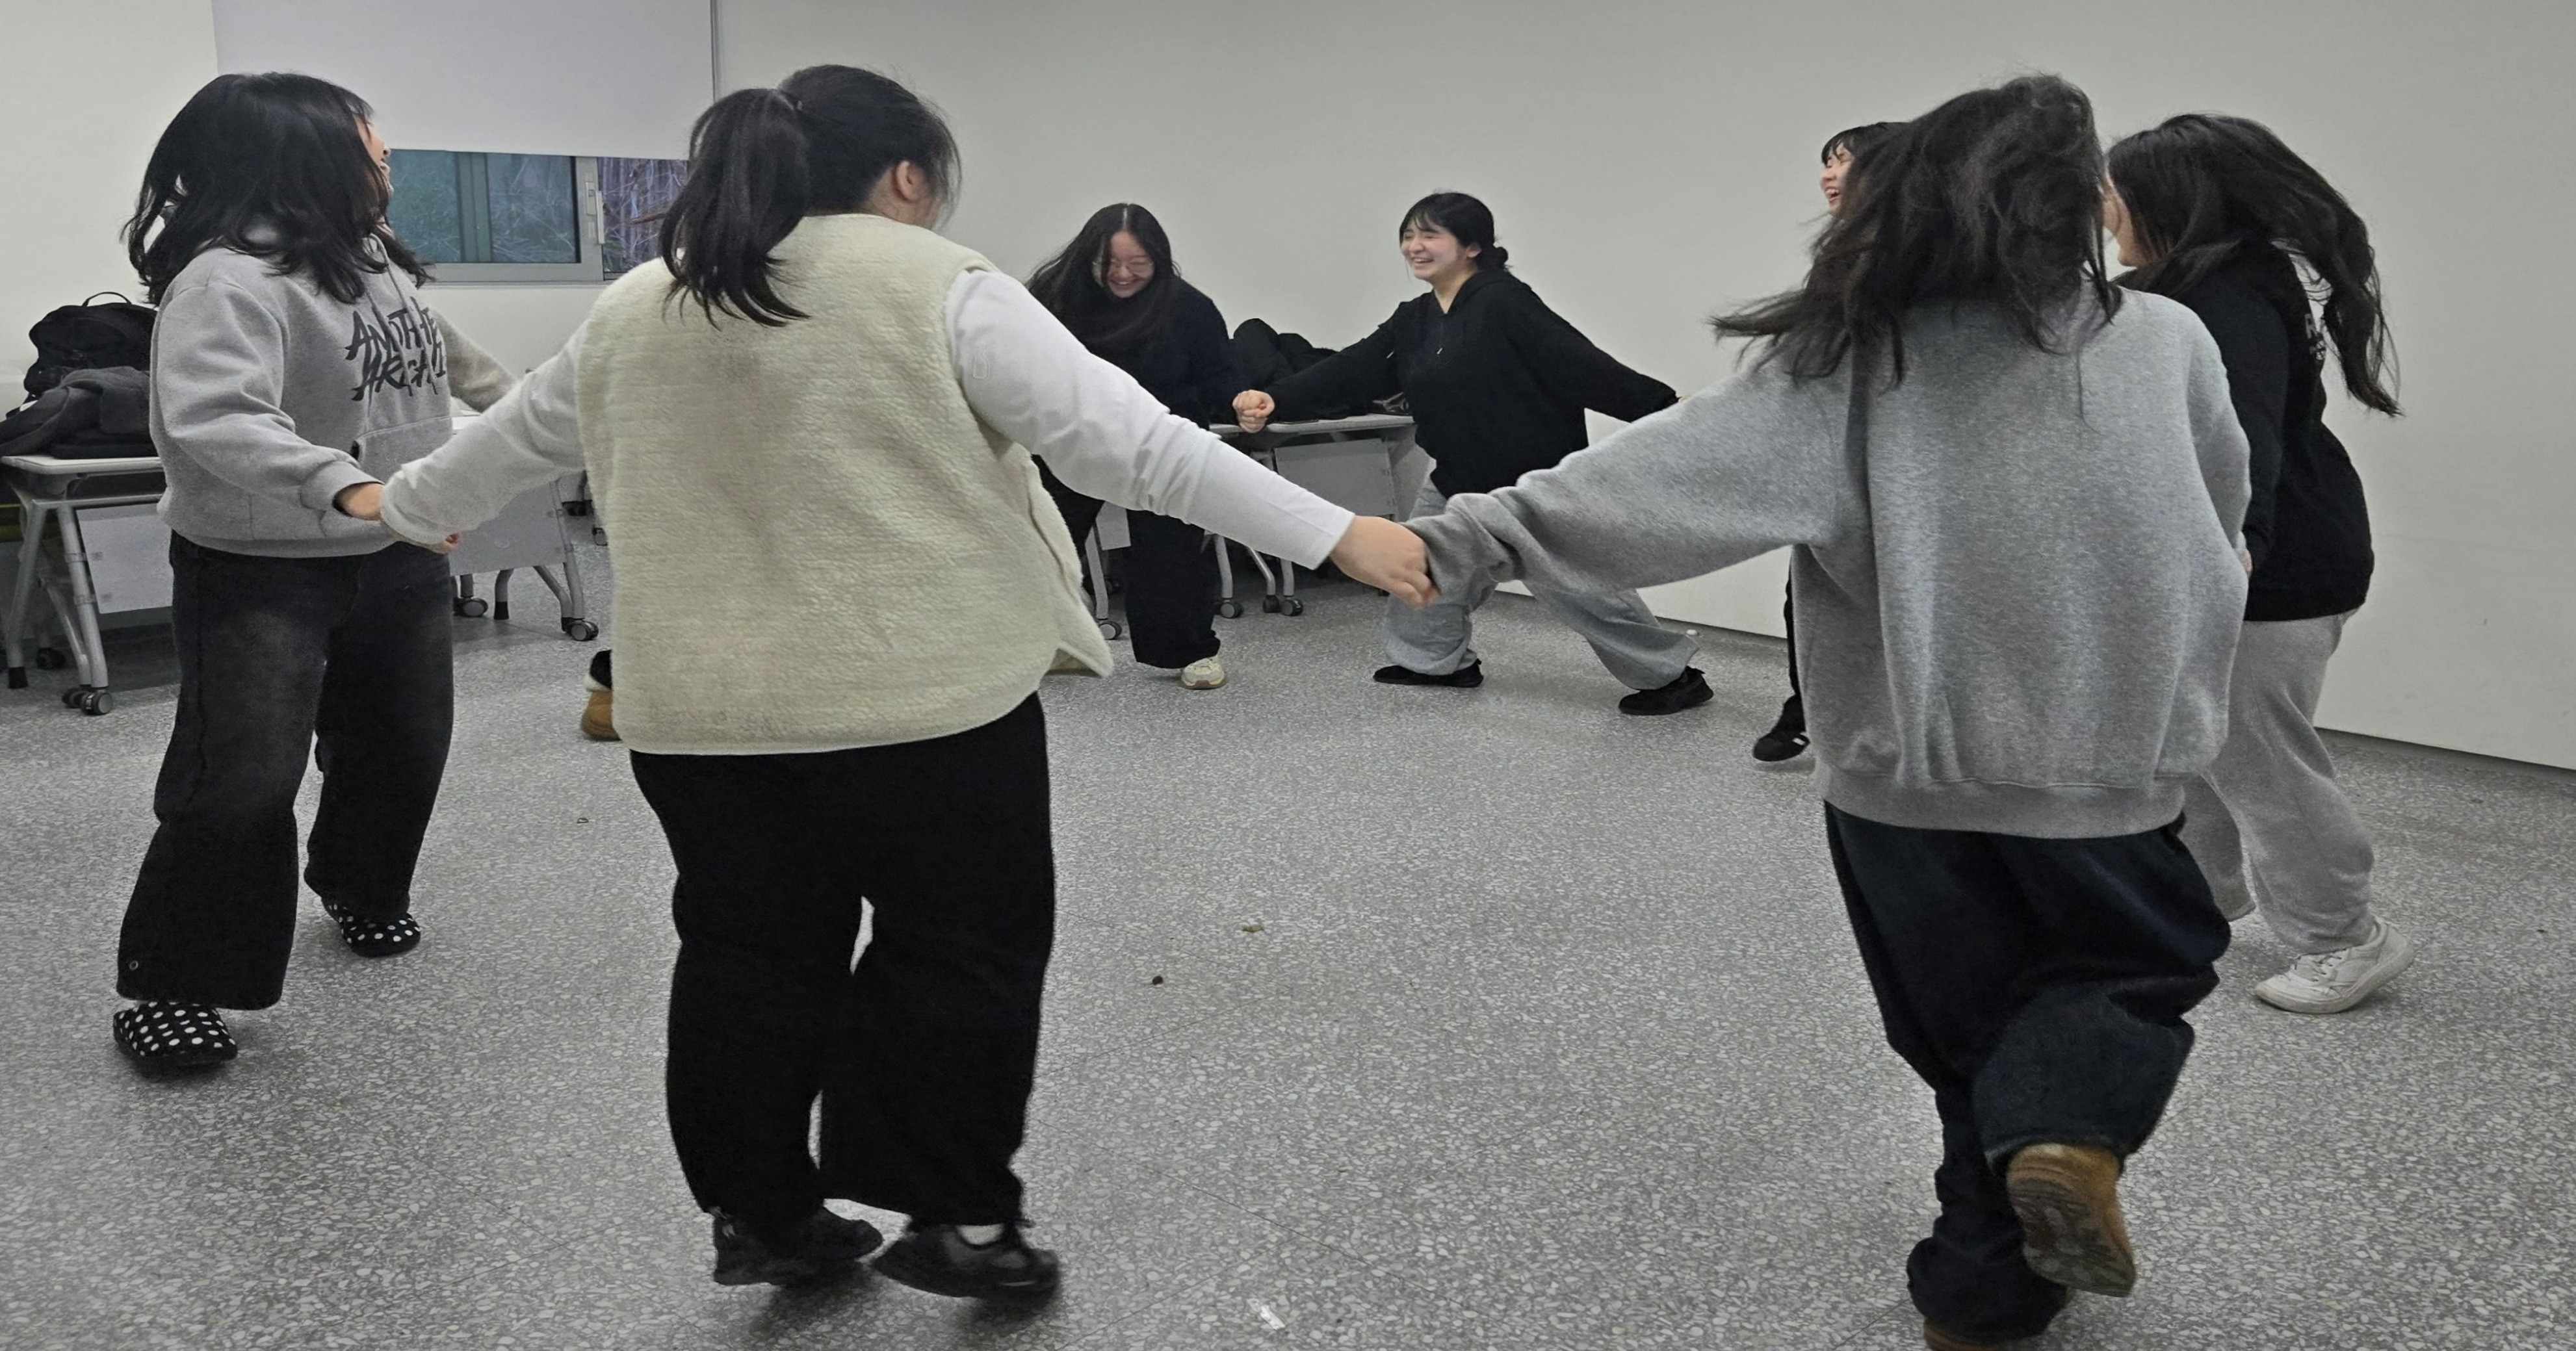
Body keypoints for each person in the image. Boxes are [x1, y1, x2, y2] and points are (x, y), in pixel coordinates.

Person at [351, 65, 1431, 1301]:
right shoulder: (940, 285)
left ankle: (764, 1212)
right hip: (921, 704)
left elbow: (502, 446)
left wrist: (398, 504)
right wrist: (1336, 531)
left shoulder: (644, 301)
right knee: (957, 951)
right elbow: (1134, 448)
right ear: (907, 175)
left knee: (745, 953)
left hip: (703, 714)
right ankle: (960, 1218)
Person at [1402, 77, 2248, 1350]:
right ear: (2076, 208)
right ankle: (2058, 1140)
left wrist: (1457, 540)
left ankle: (1980, 1293)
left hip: (1899, 783)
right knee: (2136, 967)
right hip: (2103, 763)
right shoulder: (2166, 340)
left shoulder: (1850, 360)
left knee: (1967, 1038)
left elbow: (1650, 482)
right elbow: (2223, 511)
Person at [107, 73, 469, 1072]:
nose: (387, 162)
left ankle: (359, 883)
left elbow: (433, 358)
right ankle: (175, 982)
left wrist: (531, 411)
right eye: (372, 148)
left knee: (400, 743)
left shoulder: (365, 258)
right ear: (302, 159)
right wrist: (350, 489)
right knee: (242, 775)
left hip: (395, 548)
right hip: (260, 567)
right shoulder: (227, 281)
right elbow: (217, 418)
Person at [2107, 114, 2413, 1014]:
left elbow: (2240, 444)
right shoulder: (2213, 282)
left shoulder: (2223, 299)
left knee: (2258, 758)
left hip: (2270, 568)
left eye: (2114, 191)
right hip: (2281, 546)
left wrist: (2233, 553)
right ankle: (2201, 895)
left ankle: (2343, 937)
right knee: (2196, 737)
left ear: (2170, 203)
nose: (2102, 208)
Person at [1232, 193, 1710, 714]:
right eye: (1408, 235)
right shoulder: (1416, 318)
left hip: (1530, 484)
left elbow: (1580, 366)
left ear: (1472, 246)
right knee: (1421, 565)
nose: (1414, 247)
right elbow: (1355, 368)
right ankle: (1433, 662)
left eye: (1430, 235)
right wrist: (1277, 398)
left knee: (1579, 588)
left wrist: (1662, 408)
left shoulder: (1504, 303)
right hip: (1457, 476)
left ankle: (1671, 676)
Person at [1026, 203, 1241, 689]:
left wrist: (1241, 400)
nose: (1122, 275)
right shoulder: (1053, 297)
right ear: (1087, 258)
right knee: (1045, 541)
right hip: (1073, 438)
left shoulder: (1188, 307)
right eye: (1109, 264)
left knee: (1171, 549)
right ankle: (1050, 644)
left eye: (1137, 264)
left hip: (1162, 440)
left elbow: (1220, 377)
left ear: (1158, 260)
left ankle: (1189, 651)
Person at [1753, 120, 1902, 764]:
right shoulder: (1840, 255)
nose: (1828, 175)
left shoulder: (1912, 257)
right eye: (1827, 162)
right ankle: (1809, 707)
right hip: (1836, 463)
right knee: (1812, 593)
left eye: (1844, 161)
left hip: (1899, 466)